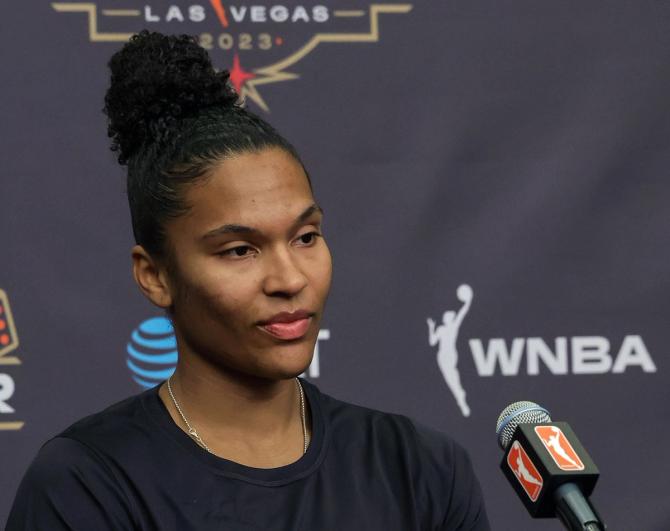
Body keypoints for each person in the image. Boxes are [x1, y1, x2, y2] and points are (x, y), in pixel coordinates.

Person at [6, 31, 490, 530]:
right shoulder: (89, 484)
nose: (289, 278)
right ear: (155, 276)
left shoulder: (419, 469)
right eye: (240, 250)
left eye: (305, 237)